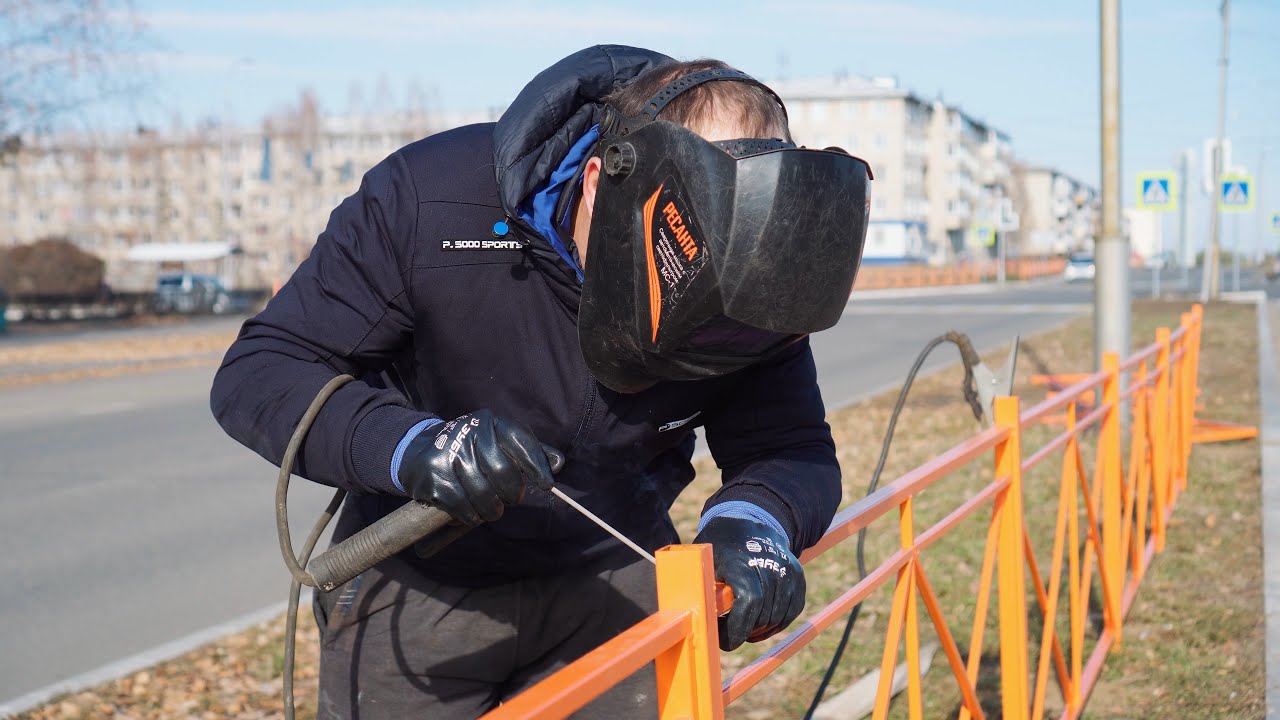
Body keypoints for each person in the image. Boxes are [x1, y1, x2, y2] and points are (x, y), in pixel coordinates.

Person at [211, 45, 872, 719]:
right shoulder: (433, 201)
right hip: (423, 590)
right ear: (599, 182)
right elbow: (263, 370)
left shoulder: (761, 263)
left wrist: (755, 524)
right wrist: (413, 447)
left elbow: (788, 444)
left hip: (616, 575)